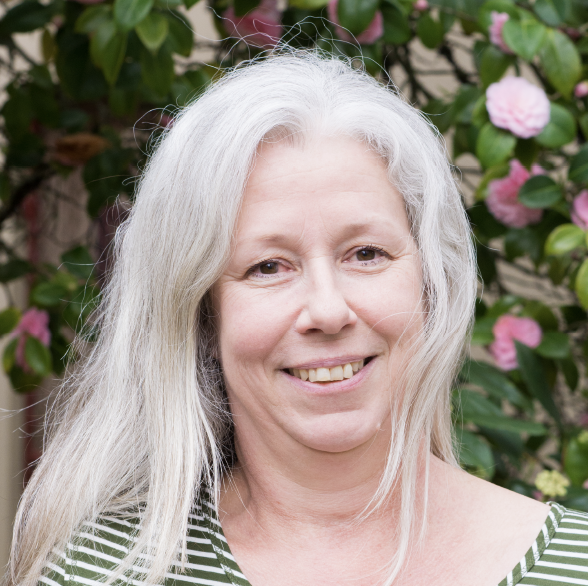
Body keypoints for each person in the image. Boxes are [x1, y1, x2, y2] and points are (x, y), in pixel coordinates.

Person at [6, 49, 588, 586]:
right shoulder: (104, 574)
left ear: (431, 283)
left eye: (366, 254)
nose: (328, 311)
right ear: (204, 317)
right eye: (267, 266)